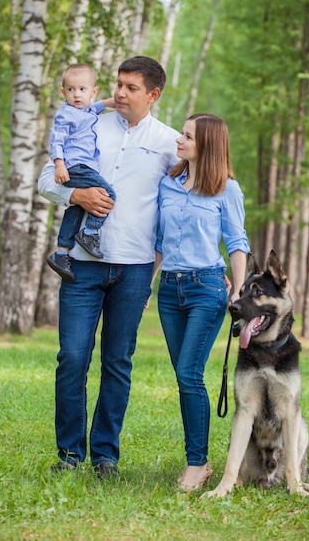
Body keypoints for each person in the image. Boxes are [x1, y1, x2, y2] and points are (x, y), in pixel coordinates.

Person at [38, 56, 180, 477]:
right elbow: (48, 178)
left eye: (130, 87)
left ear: (153, 95)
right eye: (118, 84)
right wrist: (75, 197)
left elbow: (188, 202)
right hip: (80, 267)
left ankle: (105, 456)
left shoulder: (171, 143)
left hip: (135, 269)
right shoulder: (88, 121)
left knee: (118, 362)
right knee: (72, 359)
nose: (119, 93)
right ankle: (69, 456)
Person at [154, 113, 250, 492]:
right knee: (184, 375)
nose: (179, 139)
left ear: (207, 145)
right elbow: (159, 243)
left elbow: (238, 242)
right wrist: (146, 286)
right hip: (169, 289)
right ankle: (197, 458)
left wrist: (238, 292)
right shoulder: (168, 184)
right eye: (182, 132)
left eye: (188, 135)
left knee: (188, 373)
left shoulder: (227, 189)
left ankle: (198, 464)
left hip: (206, 288)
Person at [47, 63, 116, 282]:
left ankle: (61, 253)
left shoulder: (86, 110)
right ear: (63, 92)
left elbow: (98, 106)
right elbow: (56, 140)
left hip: (82, 167)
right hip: (76, 167)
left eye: (82, 90)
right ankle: (90, 234)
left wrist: (116, 101)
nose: (76, 94)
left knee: (76, 209)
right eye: (71, 90)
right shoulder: (65, 115)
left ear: (93, 91)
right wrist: (59, 164)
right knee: (108, 195)